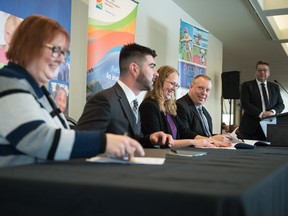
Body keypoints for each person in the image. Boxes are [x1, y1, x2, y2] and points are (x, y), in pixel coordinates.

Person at [0, 15, 144, 167]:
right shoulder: (7, 82)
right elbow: (37, 139)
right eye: (56, 50)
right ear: (29, 45)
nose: (62, 60)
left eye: (64, 53)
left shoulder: (38, 90)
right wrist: (104, 142)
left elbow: (60, 135)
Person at [76, 43, 174, 148]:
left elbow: (133, 141)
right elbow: (81, 142)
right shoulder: (104, 101)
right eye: (151, 67)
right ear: (134, 69)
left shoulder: (134, 103)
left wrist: (150, 139)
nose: (156, 73)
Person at [139, 65, 231, 148]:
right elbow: (160, 142)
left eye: (176, 85)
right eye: (172, 83)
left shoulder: (169, 107)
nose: (174, 89)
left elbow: (185, 132)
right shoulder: (149, 106)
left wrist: (211, 141)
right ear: (160, 81)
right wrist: (195, 142)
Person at [238, 60, 284, 140]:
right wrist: (262, 113)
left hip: (270, 127)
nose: (262, 72)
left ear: (269, 73)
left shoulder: (275, 87)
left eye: (265, 70)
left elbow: (281, 105)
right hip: (250, 128)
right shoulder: (246, 85)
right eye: (259, 70)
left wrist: (272, 112)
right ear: (255, 73)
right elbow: (245, 104)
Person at [177, 74, 231, 142]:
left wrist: (220, 137)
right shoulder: (180, 106)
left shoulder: (205, 113)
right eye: (201, 88)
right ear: (191, 87)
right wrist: (212, 139)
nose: (204, 93)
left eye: (207, 90)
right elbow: (185, 134)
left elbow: (205, 135)